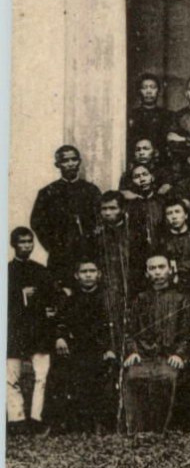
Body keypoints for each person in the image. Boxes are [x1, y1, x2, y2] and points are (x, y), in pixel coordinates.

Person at [46, 259, 120, 433]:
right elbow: (60, 322)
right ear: (76, 276)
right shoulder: (70, 300)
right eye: (84, 271)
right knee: (60, 371)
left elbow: (114, 328)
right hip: (76, 348)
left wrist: (110, 348)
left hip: (100, 349)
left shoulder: (108, 299)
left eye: (92, 271)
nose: (88, 275)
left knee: (103, 372)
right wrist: (60, 338)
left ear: (99, 274)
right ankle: (63, 422)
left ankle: (101, 422)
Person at [121, 254, 190, 433]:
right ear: (146, 273)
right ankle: (139, 430)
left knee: (167, 377)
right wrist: (133, 351)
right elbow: (130, 332)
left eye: (161, 267)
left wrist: (179, 354)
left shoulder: (181, 299)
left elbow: (187, 334)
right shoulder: (140, 300)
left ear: (170, 270)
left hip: (168, 356)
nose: (157, 272)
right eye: (153, 268)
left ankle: (163, 429)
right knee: (134, 376)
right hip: (144, 355)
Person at [31, 146, 102, 282]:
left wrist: (92, 241)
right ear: (57, 164)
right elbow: (37, 222)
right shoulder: (47, 192)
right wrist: (53, 245)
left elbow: (101, 219)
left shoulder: (91, 191)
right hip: (60, 256)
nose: (70, 164)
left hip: (88, 254)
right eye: (65, 160)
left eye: (73, 159)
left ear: (79, 162)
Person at [8, 229, 54, 432]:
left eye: (29, 242)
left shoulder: (41, 270)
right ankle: (16, 419)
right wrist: (21, 294)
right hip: (14, 329)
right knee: (11, 376)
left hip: (38, 329)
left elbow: (50, 296)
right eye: (22, 242)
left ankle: (37, 418)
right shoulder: (7, 270)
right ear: (14, 244)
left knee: (41, 375)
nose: (27, 245)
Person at [156, 200, 190, 295]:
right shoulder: (162, 242)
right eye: (169, 213)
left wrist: (177, 266)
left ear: (186, 215)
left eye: (177, 212)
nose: (174, 216)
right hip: (173, 289)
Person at [128, 74, 170, 166]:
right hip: (138, 162)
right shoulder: (132, 115)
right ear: (139, 91)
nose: (149, 91)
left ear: (158, 91)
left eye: (152, 87)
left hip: (161, 162)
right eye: (144, 88)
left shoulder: (168, 115)